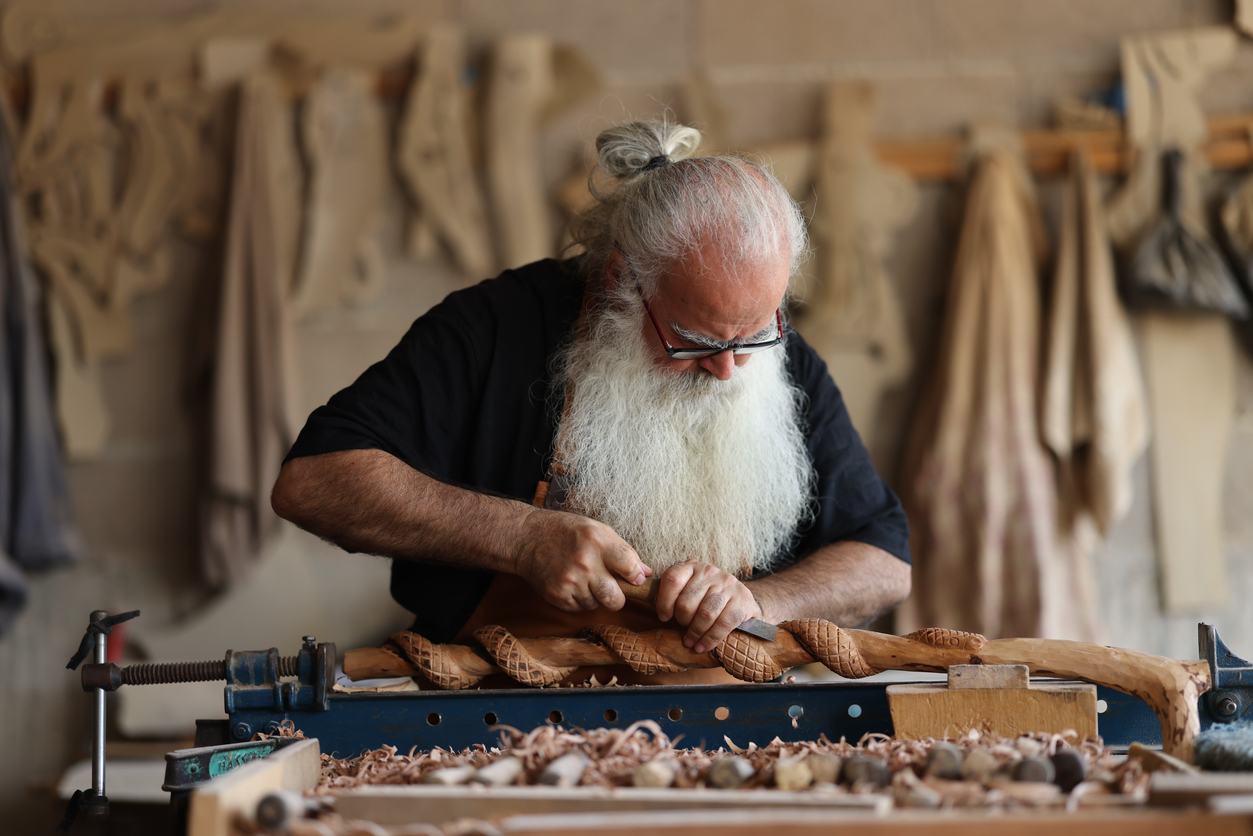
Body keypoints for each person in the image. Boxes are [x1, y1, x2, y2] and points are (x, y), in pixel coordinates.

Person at [271, 121, 911, 683]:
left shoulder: (772, 356)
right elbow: (313, 481)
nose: (726, 370)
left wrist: (762, 603)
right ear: (620, 280)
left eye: (757, 332)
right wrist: (518, 536)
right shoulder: (494, 329)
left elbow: (884, 562)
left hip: (723, 726)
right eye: (692, 341)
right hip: (502, 721)